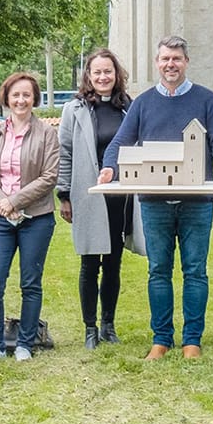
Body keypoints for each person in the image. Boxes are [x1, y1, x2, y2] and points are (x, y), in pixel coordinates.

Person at [98, 36, 213, 360]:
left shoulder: (206, 99)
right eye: (165, 59)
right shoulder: (143, 103)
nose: (170, 64)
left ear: (186, 62)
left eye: (176, 58)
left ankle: (192, 341)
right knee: (158, 270)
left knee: (195, 270)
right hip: (155, 202)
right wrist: (109, 169)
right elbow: (121, 141)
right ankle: (161, 339)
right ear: (157, 63)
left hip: (196, 203)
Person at [57, 48, 143, 351]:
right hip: (88, 193)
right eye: (97, 72)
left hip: (120, 195)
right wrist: (64, 194)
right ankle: (89, 328)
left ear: (116, 74)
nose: (103, 77)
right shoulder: (75, 109)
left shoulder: (128, 107)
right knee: (90, 262)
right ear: (89, 76)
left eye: (108, 71)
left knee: (114, 262)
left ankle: (108, 324)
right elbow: (64, 152)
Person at [0, 72, 60, 364]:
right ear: (7, 98)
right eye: (16, 95)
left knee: (30, 283)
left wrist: (15, 200)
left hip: (36, 218)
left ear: (34, 98)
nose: (21, 100)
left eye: (26, 95)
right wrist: (3, 202)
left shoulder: (47, 133)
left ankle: (25, 343)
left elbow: (49, 177)